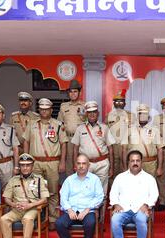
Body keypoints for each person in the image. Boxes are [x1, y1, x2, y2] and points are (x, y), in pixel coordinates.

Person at [23, 98, 68, 230]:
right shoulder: (31, 124)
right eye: (41, 109)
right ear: (39, 110)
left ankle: (53, 218)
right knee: (35, 191)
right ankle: (39, 217)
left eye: (46, 109)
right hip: (35, 162)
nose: (44, 111)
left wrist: (63, 162)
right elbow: (26, 142)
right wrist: (26, 160)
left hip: (53, 162)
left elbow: (63, 144)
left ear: (51, 110)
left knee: (53, 192)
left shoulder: (58, 125)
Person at [109, 150, 159, 238]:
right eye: (132, 161)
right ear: (128, 162)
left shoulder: (149, 178)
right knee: (114, 220)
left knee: (142, 221)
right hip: (123, 209)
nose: (135, 163)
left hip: (140, 210)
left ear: (142, 162)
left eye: (137, 160)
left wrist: (147, 204)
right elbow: (113, 193)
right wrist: (115, 204)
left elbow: (154, 194)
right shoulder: (120, 177)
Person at [0, 153, 50, 238]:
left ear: (32, 166)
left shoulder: (39, 179)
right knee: (4, 219)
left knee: (27, 219)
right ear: (20, 167)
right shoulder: (13, 180)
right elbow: (6, 198)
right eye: (22, 165)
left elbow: (45, 199)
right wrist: (14, 204)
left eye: (28, 165)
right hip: (17, 209)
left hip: (33, 209)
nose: (25, 167)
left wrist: (30, 205)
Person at [72, 100, 115, 222]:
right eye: (89, 112)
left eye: (94, 112)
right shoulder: (80, 129)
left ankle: (100, 219)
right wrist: (76, 164)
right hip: (86, 164)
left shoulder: (105, 128)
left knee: (102, 191)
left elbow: (110, 148)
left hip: (102, 163)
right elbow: (75, 148)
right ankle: (87, 217)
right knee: (85, 190)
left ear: (98, 113)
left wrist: (111, 167)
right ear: (86, 113)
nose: (92, 115)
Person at [56, 154, 104, 238]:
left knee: (90, 223)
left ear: (88, 165)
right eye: (79, 163)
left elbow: (100, 197)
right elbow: (63, 196)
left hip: (88, 211)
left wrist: (87, 209)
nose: (81, 166)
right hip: (71, 210)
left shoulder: (94, 179)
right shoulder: (69, 180)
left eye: (84, 163)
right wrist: (69, 209)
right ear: (75, 165)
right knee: (59, 223)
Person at [124, 104, 163, 178]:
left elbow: (160, 149)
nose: (142, 115)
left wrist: (160, 167)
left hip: (151, 165)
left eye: (144, 114)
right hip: (134, 164)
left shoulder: (155, 130)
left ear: (148, 116)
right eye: (140, 113)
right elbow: (124, 150)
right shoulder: (130, 129)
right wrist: (125, 166)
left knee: (149, 187)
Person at [57, 80, 85, 176]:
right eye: (71, 91)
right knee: (69, 161)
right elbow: (59, 124)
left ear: (79, 93)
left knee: (82, 159)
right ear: (68, 93)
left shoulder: (84, 106)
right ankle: (71, 184)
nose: (73, 94)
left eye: (75, 91)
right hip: (68, 139)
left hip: (82, 139)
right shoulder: (63, 106)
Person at [106, 89, 136, 179]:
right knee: (112, 170)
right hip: (113, 147)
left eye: (121, 102)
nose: (119, 104)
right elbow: (106, 132)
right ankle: (113, 191)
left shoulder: (131, 116)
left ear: (125, 104)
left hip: (126, 147)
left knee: (126, 170)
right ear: (114, 103)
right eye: (117, 102)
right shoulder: (108, 116)